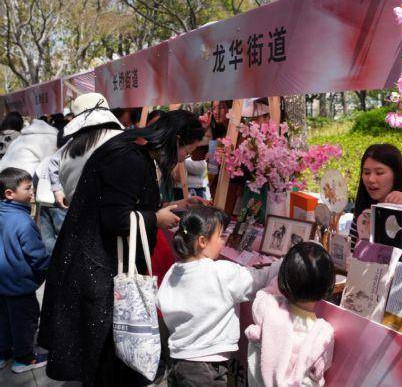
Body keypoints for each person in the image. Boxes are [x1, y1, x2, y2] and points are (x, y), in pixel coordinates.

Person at [38, 109, 206, 386]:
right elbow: (116, 218)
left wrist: (177, 206)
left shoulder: (133, 150)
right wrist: (156, 219)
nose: (184, 158)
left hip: (98, 264)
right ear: (176, 140)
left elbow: (129, 203)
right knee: (105, 360)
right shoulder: (129, 158)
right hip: (97, 268)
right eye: (187, 150)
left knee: (109, 361)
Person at [156, 206, 281, 387]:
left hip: (178, 359)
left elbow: (161, 301)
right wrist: (282, 263)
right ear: (202, 241)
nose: (224, 241)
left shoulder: (174, 270)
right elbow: (258, 279)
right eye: (221, 236)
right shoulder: (221, 272)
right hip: (206, 366)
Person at [246, 242, 335, 387]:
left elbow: (263, 294)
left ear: (283, 279)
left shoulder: (267, 307)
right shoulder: (323, 334)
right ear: (328, 286)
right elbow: (320, 371)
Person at [0, 168, 50, 374]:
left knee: (3, 321)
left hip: (3, 284)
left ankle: (3, 354)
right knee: (24, 323)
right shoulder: (23, 221)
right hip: (20, 286)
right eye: (28, 188)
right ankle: (24, 359)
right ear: (9, 193)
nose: (32, 192)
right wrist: (49, 269)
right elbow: (37, 256)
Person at [349, 144, 402, 250]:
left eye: (379, 173)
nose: (371, 179)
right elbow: (352, 248)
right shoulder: (363, 209)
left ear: (396, 174)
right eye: (366, 172)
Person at [48, 93, 124, 208]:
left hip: (78, 209)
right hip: (114, 209)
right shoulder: (122, 138)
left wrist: (57, 190)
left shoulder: (73, 143)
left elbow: (53, 161)